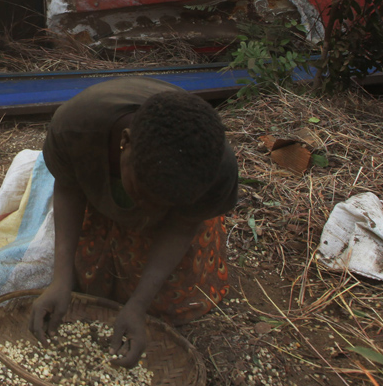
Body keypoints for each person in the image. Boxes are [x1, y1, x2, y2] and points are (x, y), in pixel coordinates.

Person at [29, 77, 237, 367]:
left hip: (177, 212)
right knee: (89, 281)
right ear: (125, 143)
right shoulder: (76, 127)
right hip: (99, 185)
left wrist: (138, 305)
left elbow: (184, 225)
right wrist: (61, 279)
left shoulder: (216, 169)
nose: (149, 213)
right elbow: (68, 188)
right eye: (142, 194)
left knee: (170, 302)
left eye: (163, 205)